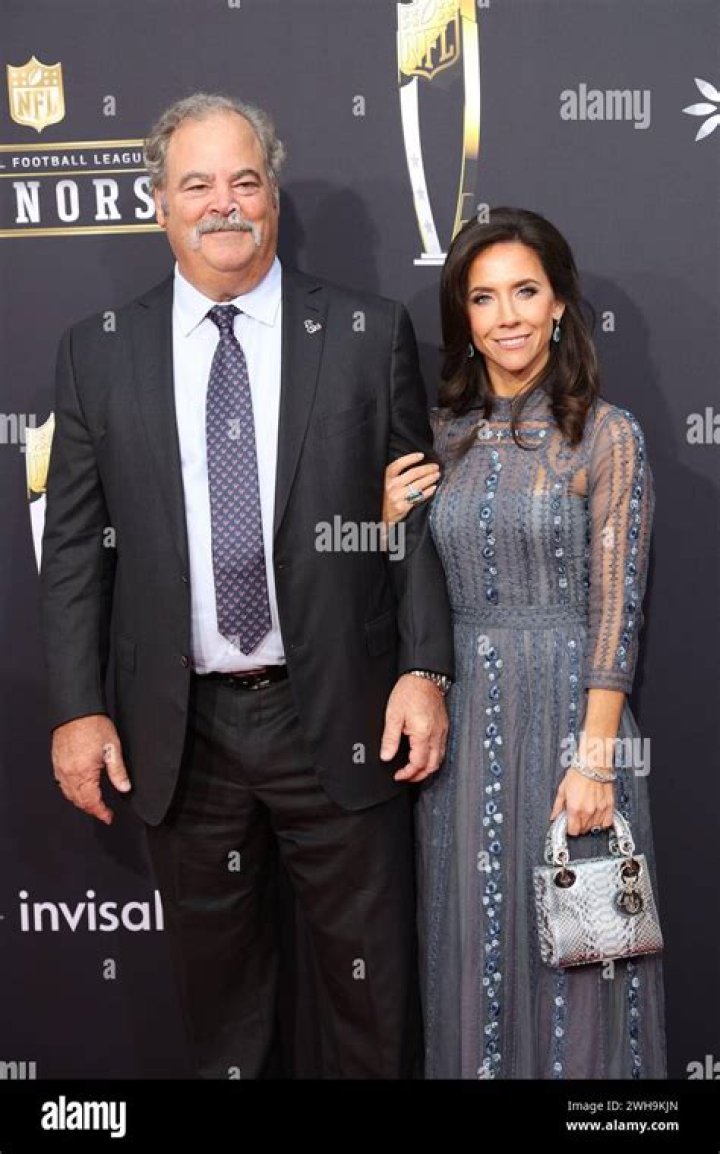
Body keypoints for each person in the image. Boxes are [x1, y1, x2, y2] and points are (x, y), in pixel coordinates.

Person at [40, 92, 454, 1079]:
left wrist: (424, 667)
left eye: (244, 180)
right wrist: (79, 708)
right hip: (183, 732)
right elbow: (75, 549)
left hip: (344, 717)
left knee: (371, 1006)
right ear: (159, 204)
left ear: (273, 195)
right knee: (224, 1018)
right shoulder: (98, 349)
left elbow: (410, 516)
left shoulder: (366, 331)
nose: (223, 203)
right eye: (197, 184)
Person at [384, 207, 666, 1079]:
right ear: (463, 317)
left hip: (573, 727)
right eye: (483, 298)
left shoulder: (606, 435)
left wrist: (595, 761)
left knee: (584, 966)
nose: (505, 316)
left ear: (558, 304)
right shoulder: (441, 437)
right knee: (470, 949)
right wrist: (391, 526)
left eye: (525, 292)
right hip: (464, 732)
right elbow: (412, 599)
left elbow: (619, 611)